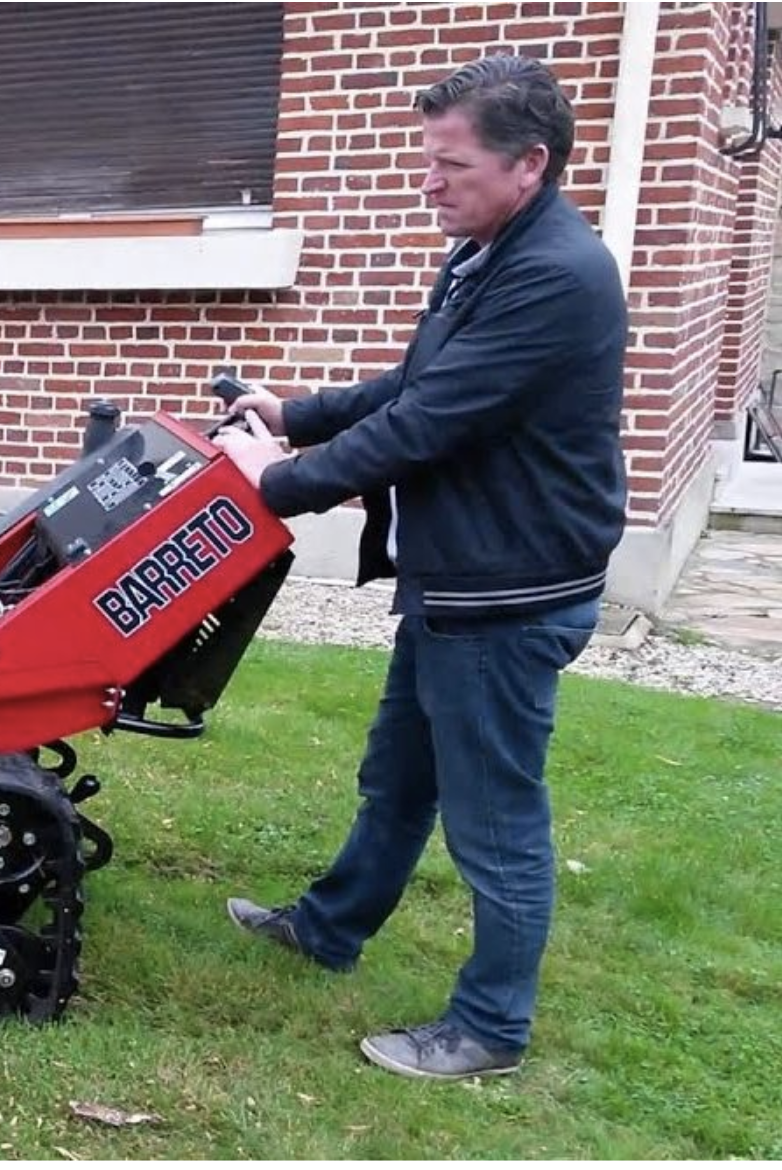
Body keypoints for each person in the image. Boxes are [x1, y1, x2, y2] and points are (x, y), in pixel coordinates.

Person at [210, 53, 628, 1080]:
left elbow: (428, 425)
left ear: (527, 163)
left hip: (505, 591)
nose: (427, 182)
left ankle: (487, 1029)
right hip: (456, 578)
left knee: (493, 820)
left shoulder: (553, 277)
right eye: (425, 160)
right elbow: (415, 381)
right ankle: (328, 926)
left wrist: (274, 485)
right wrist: (291, 415)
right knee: (396, 779)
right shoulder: (486, 250)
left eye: (449, 165)